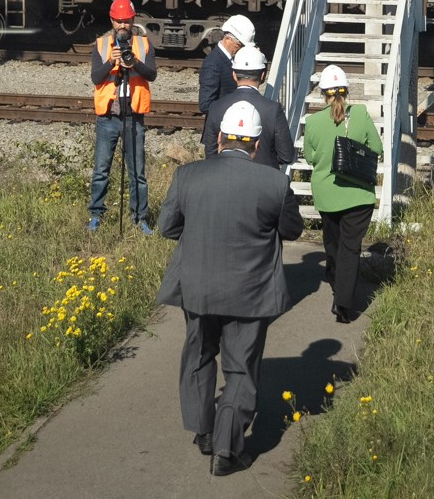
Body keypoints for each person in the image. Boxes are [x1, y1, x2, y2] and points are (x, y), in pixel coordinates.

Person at [156, 100, 306, 475]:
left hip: (198, 286)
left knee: (198, 356)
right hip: (250, 291)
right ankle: (225, 448)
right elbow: (292, 230)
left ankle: (203, 430)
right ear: (256, 145)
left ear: (220, 137)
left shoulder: (188, 176)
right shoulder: (275, 183)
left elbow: (167, 227)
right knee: (241, 369)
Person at [301, 65, 383, 324]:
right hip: (358, 195)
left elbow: (312, 158)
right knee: (351, 248)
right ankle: (344, 305)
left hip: (327, 194)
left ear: (323, 93)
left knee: (333, 244)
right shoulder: (360, 114)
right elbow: (377, 149)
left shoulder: (313, 121)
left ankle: (338, 285)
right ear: (346, 91)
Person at [88, 0, 156, 232]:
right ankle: (96, 215)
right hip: (108, 118)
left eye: (126, 21)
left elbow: (152, 74)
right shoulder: (101, 45)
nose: (122, 26)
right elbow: (96, 78)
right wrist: (111, 62)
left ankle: (140, 218)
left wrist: (134, 63)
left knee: (138, 173)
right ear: (112, 21)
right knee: (101, 170)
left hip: (133, 117)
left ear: (132, 20)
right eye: (118, 21)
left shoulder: (144, 45)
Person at [200, 42, 291, 168]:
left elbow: (210, 154)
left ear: (234, 75)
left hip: (224, 180)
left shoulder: (216, 107)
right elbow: (286, 156)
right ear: (263, 75)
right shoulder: (273, 109)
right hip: (263, 182)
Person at [198, 13, 256, 154]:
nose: (241, 48)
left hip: (228, 135)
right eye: (239, 45)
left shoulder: (228, 59)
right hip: (219, 137)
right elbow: (205, 104)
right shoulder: (213, 62)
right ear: (228, 39)